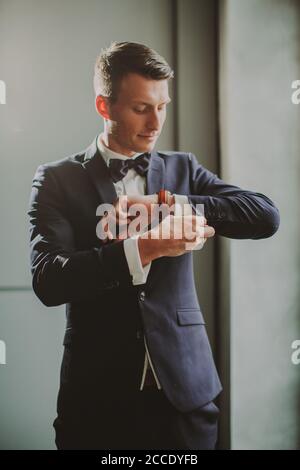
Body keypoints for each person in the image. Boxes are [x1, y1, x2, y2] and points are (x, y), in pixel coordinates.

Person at [28, 41, 280, 450]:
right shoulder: (56, 179)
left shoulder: (183, 169)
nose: (156, 122)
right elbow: (48, 280)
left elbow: (265, 216)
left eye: (162, 106)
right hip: (96, 401)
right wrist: (143, 248)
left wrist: (170, 201)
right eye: (141, 108)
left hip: (188, 399)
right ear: (104, 106)